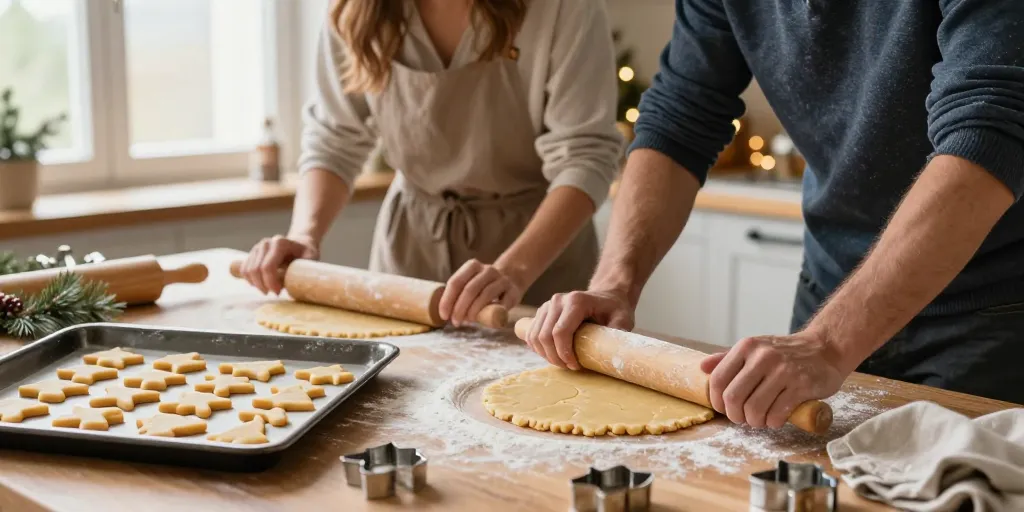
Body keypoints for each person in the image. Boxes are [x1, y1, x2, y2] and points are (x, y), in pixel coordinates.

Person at [524, 0, 1024, 425]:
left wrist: (829, 344)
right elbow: (680, 118)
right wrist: (615, 283)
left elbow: (988, 131)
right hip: (830, 294)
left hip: (991, 314)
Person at [240, 0, 622, 325]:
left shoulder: (562, 8)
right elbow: (333, 139)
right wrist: (305, 233)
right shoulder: (356, 10)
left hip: (538, 260)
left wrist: (514, 269)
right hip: (410, 253)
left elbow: (584, 156)